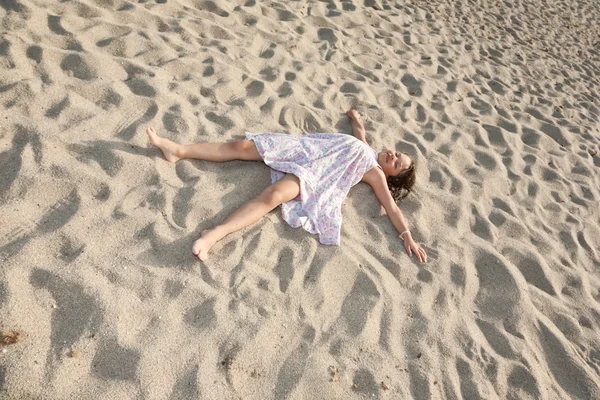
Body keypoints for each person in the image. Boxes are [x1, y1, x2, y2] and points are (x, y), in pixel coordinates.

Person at [146, 109, 428, 263]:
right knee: (241, 147)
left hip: (314, 174)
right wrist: (355, 118)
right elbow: (360, 132)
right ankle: (178, 150)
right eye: (397, 153)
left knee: (273, 197)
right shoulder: (366, 146)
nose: (393, 156)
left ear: (391, 176)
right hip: (302, 149)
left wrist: (406, 235)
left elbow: (390, 207)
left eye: (397, 164)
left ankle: (213, 236)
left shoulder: (375, 172)